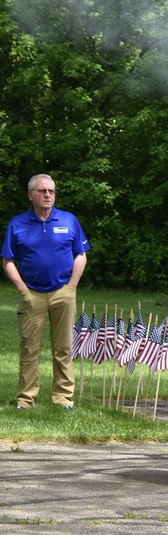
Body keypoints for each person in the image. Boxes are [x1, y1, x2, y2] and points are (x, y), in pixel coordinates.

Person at [2, 174, 89, 411]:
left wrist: (72, 286)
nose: (48, 195)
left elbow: (81, 254)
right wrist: (22, 290)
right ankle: (26, 399)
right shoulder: (17, 224)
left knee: (63, 348)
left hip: (63, 292)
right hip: (32, 293)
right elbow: (8, 260)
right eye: (42, 191)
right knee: (29, 348)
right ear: (31, 195)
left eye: (51, 191)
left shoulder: (69, 220)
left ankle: (63, 398)